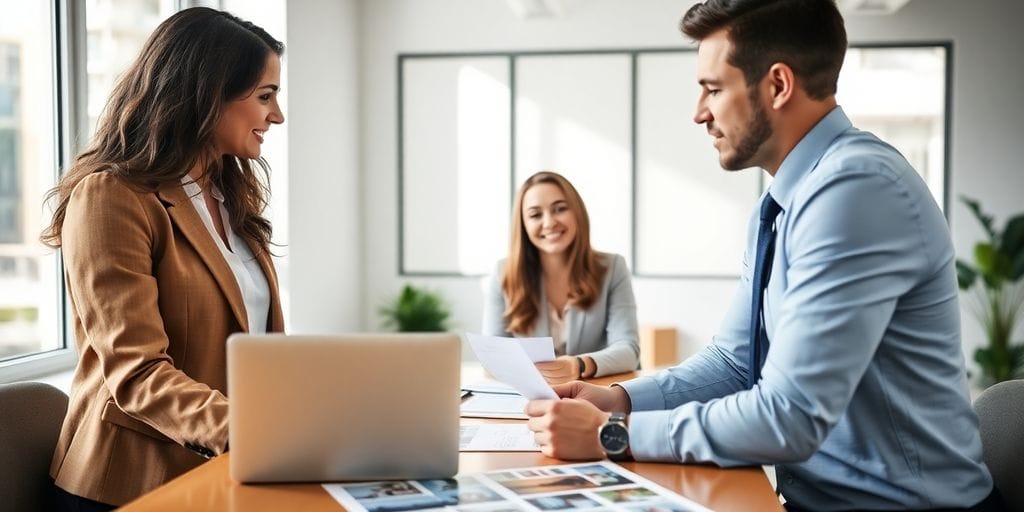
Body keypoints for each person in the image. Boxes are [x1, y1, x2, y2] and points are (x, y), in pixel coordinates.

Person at [525, 1, 1003, 510]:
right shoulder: (778, 205)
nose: (699, 112)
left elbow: (788, 416)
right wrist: (620, 399)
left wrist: (612, 433)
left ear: (777, 85)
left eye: (713, 88)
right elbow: (735, 363)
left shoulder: (857, 189)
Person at [39, 7, 285, 510]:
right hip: (132, 484)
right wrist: (256, 433)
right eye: (265, 96)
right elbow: (137, 372)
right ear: (208, 93)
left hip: (226, 468)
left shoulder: (227, 194)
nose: (276, 115)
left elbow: (248, 340)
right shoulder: (111, 197)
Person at [482, 171, 639, 384]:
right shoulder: (503, 273)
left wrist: (578, 365)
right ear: (523, 225)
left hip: (595, 395)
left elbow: (628, 350)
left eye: (560, 209)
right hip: (530, 399)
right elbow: (492, 356)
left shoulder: (612, 268)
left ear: (577, 213)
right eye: (535, 215)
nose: (549, 223)